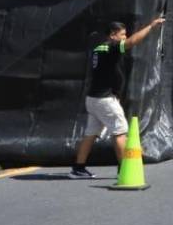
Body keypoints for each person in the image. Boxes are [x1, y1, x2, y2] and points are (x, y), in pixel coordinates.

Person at [71, 15, 166, 178]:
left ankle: (78, 168)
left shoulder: (98, 48)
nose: (125, 37)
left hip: (93, 99)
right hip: (104, 100)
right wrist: (151, 27)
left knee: (90, 134)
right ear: (113, 34)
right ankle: (124, 170)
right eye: (122, 34)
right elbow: (130, 43)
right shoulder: (112, 47)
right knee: (120, 132)